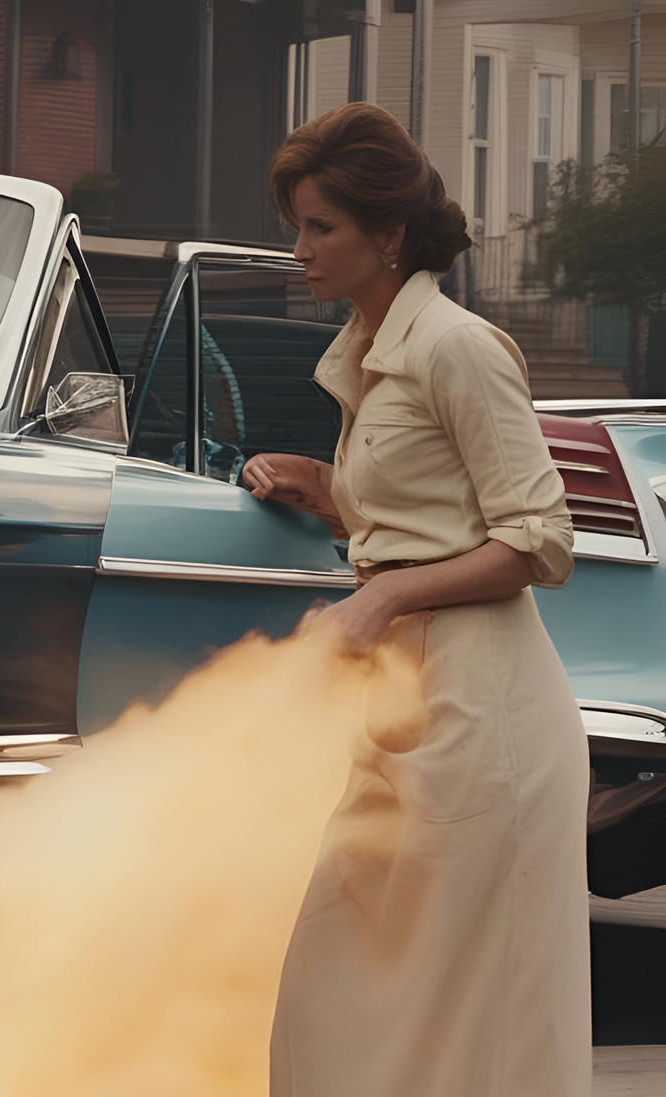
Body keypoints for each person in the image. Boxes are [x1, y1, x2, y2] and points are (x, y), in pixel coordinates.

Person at [246, 102, 587, 1096]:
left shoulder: (458, 346)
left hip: (489, 722)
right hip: (405, 711)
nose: (298, 250)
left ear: (388, 234)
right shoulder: (369, 351)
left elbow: (541, 538)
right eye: (297, 226)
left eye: (320, 228)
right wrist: (330, 494)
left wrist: (380, 596)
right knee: (332, 989)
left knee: (463, 1025)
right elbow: (427, 514)